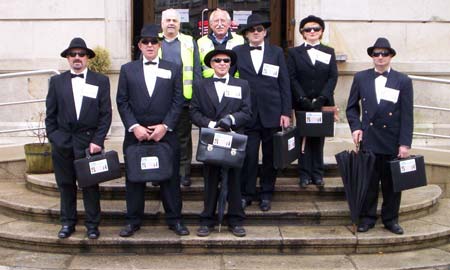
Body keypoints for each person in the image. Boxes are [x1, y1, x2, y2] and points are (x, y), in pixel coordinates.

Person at [116, 24, 189, 237]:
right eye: (145, 42)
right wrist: (134, 126)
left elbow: (179, 100)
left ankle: (175, 220)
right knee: (134, 180)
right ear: (139, 46)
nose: (149, 45)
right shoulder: (127, 69)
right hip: (136, 134)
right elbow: (122, 101)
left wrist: (165, 126)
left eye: (153, 42)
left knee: (170, 179)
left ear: (159, 45)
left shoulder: (173, 68)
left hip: (165, 134)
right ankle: (132, 221)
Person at [45, 37, 112, 239]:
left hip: (88, 142)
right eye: (72, 54)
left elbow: (105, 114)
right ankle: (67, 222)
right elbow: (50, 116)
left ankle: (92, 225)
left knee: (90, 185)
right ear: (67, 58)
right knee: (65, 185)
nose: (77, 58)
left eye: (81, 54)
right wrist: (56, 138)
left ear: (87, 58)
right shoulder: (56, 82)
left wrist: (97, 141)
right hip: (63, 142)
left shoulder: (100, 81)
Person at [346, 37, 414, 235]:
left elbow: (407, 115)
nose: (380, 57)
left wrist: (404, 143)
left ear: (391, 56)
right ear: (372, 56)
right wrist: (355, 127)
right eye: (376, 53)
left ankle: (391, 219)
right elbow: (351, 108)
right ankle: (367, 218)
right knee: (369, 182)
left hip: (392, 140)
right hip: (369, 138)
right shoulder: (361, 77)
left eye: (384, 53)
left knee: (392, 183)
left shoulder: (403, 80)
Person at [232, 14, 291, 212]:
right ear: (246, 34)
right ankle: (246, 194)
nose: (256, 33)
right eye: (252, 30)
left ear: (265, 33)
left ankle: (266, 193)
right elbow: (228, 79)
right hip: (247, 114)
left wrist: (286, 112)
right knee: (248, 156)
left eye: (259, 30)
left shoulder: (276, 52)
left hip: (272, 113)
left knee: (270, 156)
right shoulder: (237, 51)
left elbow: (284, 84)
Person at [190, 49, 251, 237]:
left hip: (233, 138)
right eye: (218, 60)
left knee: (234, 180)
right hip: (211, 139)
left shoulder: (242, 84)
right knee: (210, 179)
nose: (222, 63)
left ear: (231, 64)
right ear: (212, 64)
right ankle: (207, 219)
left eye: (226, 60)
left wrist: (231, 119)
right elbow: (194, 111)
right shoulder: (201, 85)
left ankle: (235, 219)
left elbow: (247, 111)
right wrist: (210, 125)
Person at [287, 15, 338, 188]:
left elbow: (332, 76)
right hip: (302, 102)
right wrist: (302, 98)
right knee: (303, 138)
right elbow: (292, 77)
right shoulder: (294, 53)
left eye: (316, 28)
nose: (312, 32)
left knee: (318, 138)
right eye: (308, 29)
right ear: (302, 32)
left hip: (323, 102)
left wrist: (322, 98)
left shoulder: (329, 52)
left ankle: (318, 173)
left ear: (321, 31)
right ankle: (304, 174)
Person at [160, 8, 202, 187]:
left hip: (184, 100)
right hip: (159, 102)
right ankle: (161, 173)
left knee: (183, 139)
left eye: (174, 21)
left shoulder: (189, 42)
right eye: (167, 20)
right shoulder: (153, 41)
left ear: (179, 24)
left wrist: (196, 98)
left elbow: (196, 71)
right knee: (160, 139)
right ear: (161, 23)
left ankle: (183, 173)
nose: (171, 23)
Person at [197, 8, 245, 78]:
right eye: (216, 21)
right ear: (210, 24)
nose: (219, 24)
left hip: (234, 85)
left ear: (229, 24)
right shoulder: (200, 42)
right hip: (208, 85)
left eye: (223, 21)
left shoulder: (240, 40)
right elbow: (197, 69)